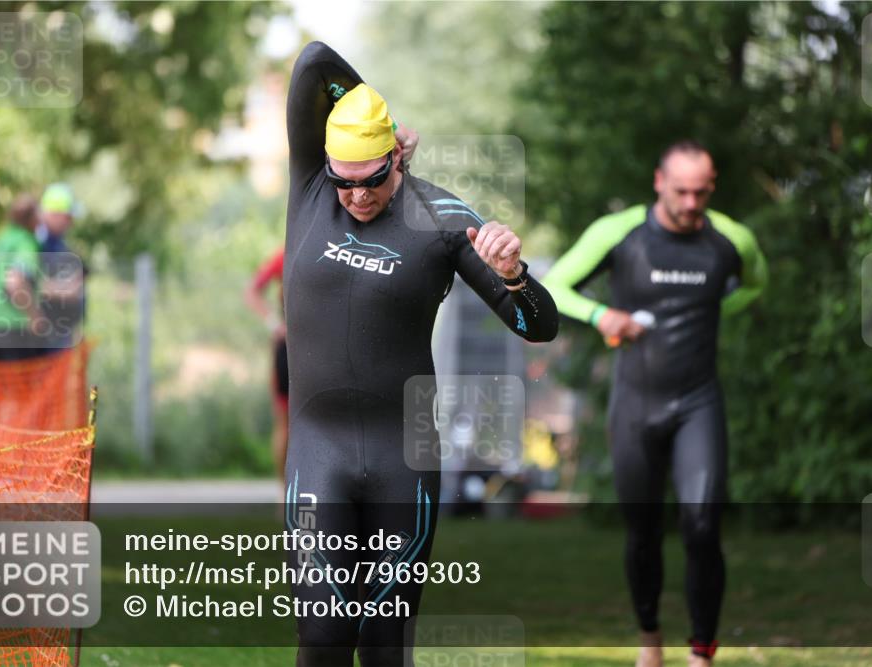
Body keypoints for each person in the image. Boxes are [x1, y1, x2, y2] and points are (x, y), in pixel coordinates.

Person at [283, 41, 559, 666]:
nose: (355, 196)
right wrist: (366, 103)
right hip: (317, 453)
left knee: (385, 644)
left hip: (401, 461)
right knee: (323, 636)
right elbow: (312, 64)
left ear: (394, 159)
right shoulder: (308, 190)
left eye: (372, 180)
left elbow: (539, 325)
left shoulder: (440, 219)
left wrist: (513, 273)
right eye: (343, 182)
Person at [543, 141, 767, 667]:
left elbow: (756, 287)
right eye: (681, 191)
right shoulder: (617, 233)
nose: (691, 203)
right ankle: (650, 643)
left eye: (702, 192)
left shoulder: (732, 239)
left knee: (703, 526)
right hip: (636, 405)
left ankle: (701, 655)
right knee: (643, 533)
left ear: (712, 188)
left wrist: (717, 310)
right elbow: (554, 285)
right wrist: (603, 317)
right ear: (658, 182)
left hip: (698, 403)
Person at [0, 194, 47, 361]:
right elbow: (15, 281)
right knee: (23, 384)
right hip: (18, 326)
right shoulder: (26, 242)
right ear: (32, 218)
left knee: (1, 382)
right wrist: (34, 315)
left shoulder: (0, 239)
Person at [245, 248, 289, 491]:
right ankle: (284, 494)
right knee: (285, 422)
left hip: (322, 347)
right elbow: (252, 290)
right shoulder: (284, 254)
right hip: (288, 348)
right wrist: (274, 324)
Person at [35, 182, 86, 353]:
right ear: (54, 214)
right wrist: (64, 289)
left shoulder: (59, 244)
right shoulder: (35, 242)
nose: (70, 223)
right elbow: (28, 283)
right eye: (67, 217)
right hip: (39, 337)